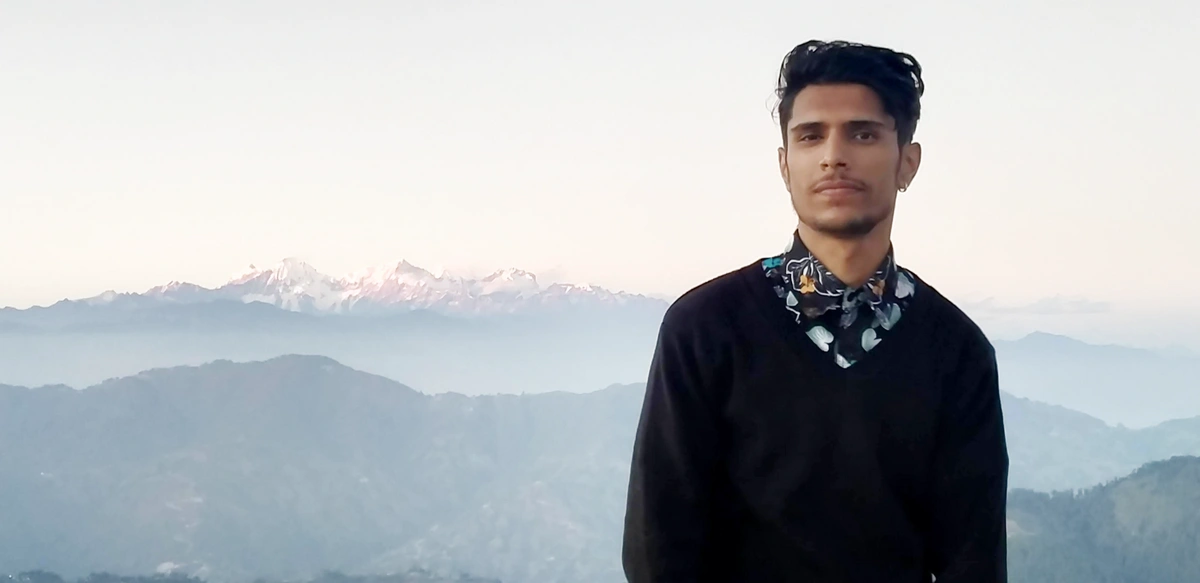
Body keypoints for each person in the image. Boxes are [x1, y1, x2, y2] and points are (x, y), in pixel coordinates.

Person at [621, 40, 1009, 583]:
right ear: (785, 165)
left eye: (863, 134)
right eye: (810, 136)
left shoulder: (957, 351)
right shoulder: (706, 329)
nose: (833, 155)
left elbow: (974, 559)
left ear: (908, 162)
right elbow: (658, 546)